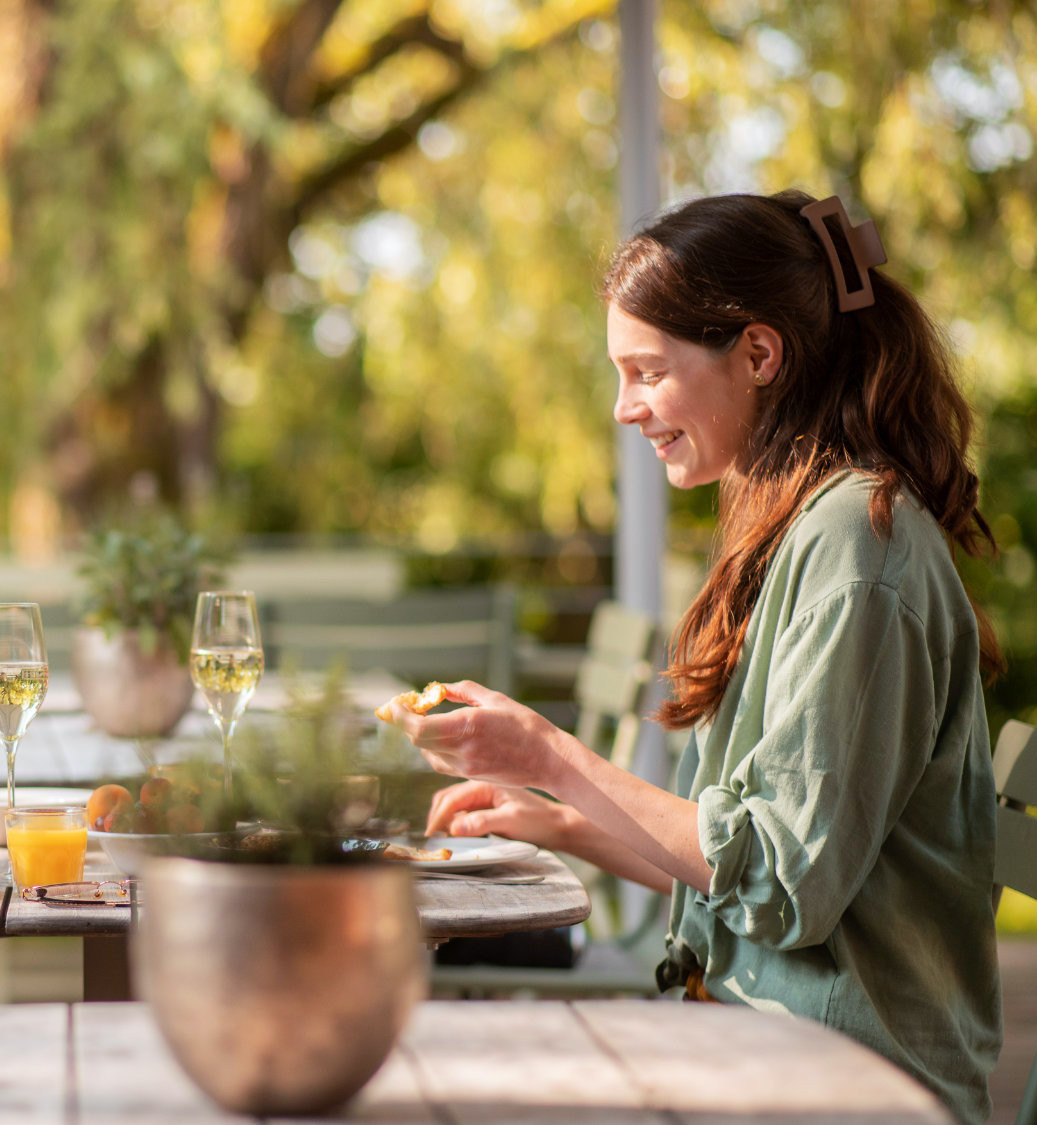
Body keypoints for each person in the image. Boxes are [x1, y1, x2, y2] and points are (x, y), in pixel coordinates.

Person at [383, 190, 1003, 1124]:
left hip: (845, 1080)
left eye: (647, 372)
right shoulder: (795, 521)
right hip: (758, 1035)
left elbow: (786, 886)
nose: (624, 408)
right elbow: (752, 867)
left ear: (758, 354)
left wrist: (551, 755)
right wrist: (561, 821)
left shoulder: (857, 547)